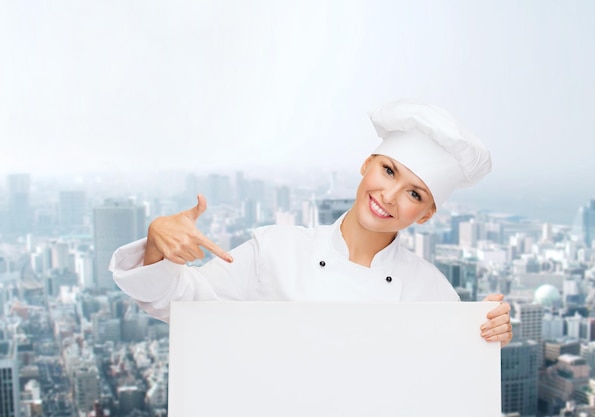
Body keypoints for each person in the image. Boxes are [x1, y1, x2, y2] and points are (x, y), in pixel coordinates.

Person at [110, 98, 513, 347]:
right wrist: (156, 244)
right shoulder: (275, 250)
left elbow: (446, 384)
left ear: (426, 214)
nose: (389, 196)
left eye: (414, 193)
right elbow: (178, 304)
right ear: (366, 165)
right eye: (388, 171)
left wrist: (487, 334)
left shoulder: (433, 292)